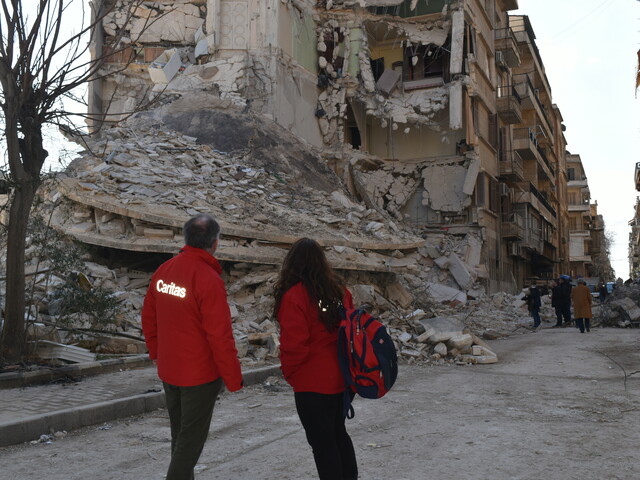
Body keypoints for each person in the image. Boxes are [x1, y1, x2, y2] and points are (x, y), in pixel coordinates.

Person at [141, 214, 243, 480]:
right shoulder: (208, 280)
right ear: (215, 243)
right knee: (189, 444)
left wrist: (156, 353)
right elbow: (220, 336)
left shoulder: (164, 272)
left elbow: (149, 318)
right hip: (199, 376)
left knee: (181, 438)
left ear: (186, 238)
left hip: (170, 371)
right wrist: (233, 379)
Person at [274, 238, 358, 480]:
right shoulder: (339, 292)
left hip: (312, 382)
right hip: (341, 377)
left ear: (292, 264)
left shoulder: (295, 296)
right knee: (338, 434)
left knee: (323, 445)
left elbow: (294, 345)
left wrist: (290, 373)